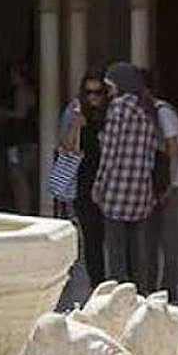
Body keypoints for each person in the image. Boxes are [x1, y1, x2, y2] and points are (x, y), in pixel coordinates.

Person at [91, 62, 157, 293]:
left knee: (116, 248)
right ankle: (142, 290)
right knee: (139, 248)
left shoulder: (119, 109)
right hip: (141, 188)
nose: (108, 92)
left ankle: (118, 293)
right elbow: (150, 152)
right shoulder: (147, 109)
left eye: (110, 86)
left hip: (118, 188)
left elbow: (110, 151)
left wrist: (99, 184)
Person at [144, 75, 178, 301]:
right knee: (153, 236)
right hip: (161, 183)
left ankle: (168, 287)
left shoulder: (163, 113)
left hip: (175, 183)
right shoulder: (151, 113)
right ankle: (152, 284)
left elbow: (172, 149)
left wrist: (170, 185)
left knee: (169, 237)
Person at [61, 71, 108, 288]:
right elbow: (67, 147)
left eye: (97, 92)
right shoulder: (76, 110)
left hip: (110, 179)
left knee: (114, 235)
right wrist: (77, 125)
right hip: (84, 180)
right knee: (92, 235)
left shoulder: (112, 113)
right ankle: (97, 282)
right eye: (88, 93)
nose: (93, 98)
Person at [0, 63, 38, 215]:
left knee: (19, 177)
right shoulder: (30, 91)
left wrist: (4, 113)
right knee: (25, 177)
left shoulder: (21, 91)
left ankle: (23, 210)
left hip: (19, 139)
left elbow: (21, 114)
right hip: (28, 138)